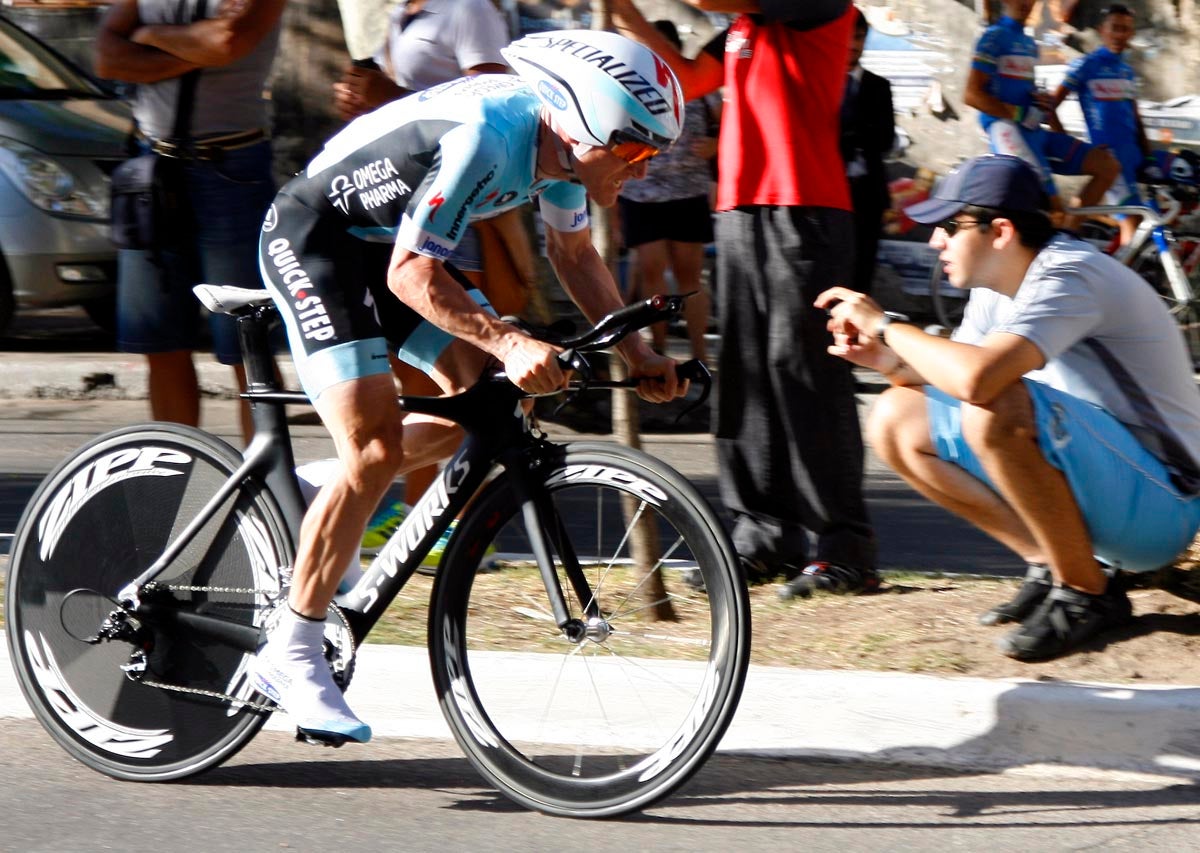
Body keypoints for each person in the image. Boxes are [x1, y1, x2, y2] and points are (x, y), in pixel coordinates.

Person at [249, 31, 689, 742]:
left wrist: (635, 347)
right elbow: (411, 276)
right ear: (582, 126)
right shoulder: (490, 135)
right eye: (636, 152)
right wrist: (510, 340)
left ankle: (322, 488)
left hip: (388, 250)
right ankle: (290, 653)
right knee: (374, 448)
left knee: (475, 410)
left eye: (655, 155)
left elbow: (573, 253)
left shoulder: (565, 151)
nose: (643, 171)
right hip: (317, 241)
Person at [816, 154, 1200, 661]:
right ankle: (1052, 563)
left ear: (1000, 231)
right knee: (894, 419)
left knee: (993, 406)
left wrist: (887, 325)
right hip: (1115, 486)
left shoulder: (1070, 274)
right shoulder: (998, 287)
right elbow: (951, 380)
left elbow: (978, 382)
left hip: (1164, 505)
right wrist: (884, 358)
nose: (935, 241)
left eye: (950, 226)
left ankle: (1087, 593)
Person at [611, 0, 879, 597]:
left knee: (801, 367)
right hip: (738, 207)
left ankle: (844, 546)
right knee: (745, 372)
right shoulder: (742, 28)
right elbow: (685, 76)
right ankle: (762, 535)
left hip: (804, 206)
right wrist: (625, 15)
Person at [327, 0, 513, 554]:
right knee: (415, 382)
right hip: (395, 214)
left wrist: (388, 101)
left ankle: (444, 513)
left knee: (474, 379)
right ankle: (413, 507)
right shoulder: (401, 14)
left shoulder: (468, 9)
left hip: (454, 205)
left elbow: (488, 101)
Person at [95, 0, 284, 443]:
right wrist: (192, 46)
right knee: (158, 343)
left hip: (231, 169)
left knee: (246, 343)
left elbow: (226, 42)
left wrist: (145, 37)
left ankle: (266, 490)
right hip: (151, 170)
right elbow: (106, 56)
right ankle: (175, 483)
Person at [964, 0, 1119, 231]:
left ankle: (1067, 235)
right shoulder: (994, 36)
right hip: (1007, 130)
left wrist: (1041, 102)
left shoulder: (1028, 43)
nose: (1025, 3)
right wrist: (1018, 112)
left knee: (1108, 166)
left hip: (1034, 131)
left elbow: (1024, 96)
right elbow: (971, 95)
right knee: (1053, 207)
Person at [617, 19, 716, 362]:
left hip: (688, 193)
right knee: (651, 271)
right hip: (642, 195)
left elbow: (724, 126)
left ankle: (700, 353)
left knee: (690, 277)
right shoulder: (627, 90)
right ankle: (658, 347)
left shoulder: (700, 90)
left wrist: (715, 145)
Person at [1051, 3, 1151, 247]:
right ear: (1101, 30)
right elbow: (1050, 106)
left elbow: (1135, 117)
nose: (1120, 35)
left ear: (1132, 33)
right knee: (1132, 223)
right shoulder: (1086, 65)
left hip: (1132, 158)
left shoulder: (1127, 71)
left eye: (1126, 29)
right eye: (1115, 28)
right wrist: (1066, 142)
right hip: (1109, 157)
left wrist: (1148, 155)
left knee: (1136, 223)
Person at [841, 7, 895, 295]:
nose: (853, 45)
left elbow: (885, 139)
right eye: (848, 37)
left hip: (867, 193)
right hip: (831, 190)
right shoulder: (822, 82)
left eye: (859, 37)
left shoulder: (879, 86)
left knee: (862, 271)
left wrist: (855, 131)